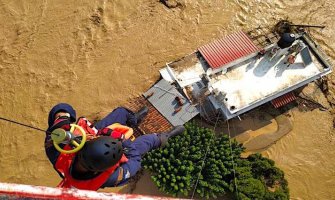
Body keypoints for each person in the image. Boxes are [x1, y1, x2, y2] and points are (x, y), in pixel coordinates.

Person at [44, 103, 185, 190]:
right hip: (124, 148)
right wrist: (123, 140)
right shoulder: (111, 177)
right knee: (146, 142)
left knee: (121, 113)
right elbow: (135, 161)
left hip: (95, 136)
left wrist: (61, 119)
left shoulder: (57, 151)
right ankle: (164, 137)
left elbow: (61, 108)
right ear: (99, 171)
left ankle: (134, 119)